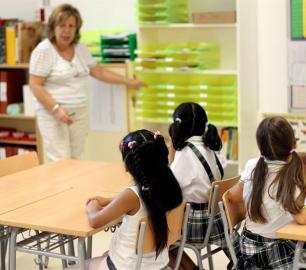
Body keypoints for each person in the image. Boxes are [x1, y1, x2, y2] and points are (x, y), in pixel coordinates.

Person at [29, 3, 145, 161]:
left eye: (71, 26)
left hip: (79, 111)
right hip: (53, 113)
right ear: (53, 27)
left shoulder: (80, 49)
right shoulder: (44, 51)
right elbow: (35, 85)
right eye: (62, 25)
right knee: (61, 160)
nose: (67, 30)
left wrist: (129, 81)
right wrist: (56, 109)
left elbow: (98, 71)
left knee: (77, 158)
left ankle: (75, 187)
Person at [228, 116, 306, 269]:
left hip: (248, 246)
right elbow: (303, 218)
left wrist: (245, 186)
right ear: (293, 144)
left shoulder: (252, 165)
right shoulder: (289, 175)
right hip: (275, 248)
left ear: (260, 149)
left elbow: (233, 197)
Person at [67, 129, 183, 270]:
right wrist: (110, 200)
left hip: (129, 266)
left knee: (74, 267)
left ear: (128, 165)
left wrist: (93, 205)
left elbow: (95, 220)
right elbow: (140, 202)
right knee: (105, 255)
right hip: (159, 264)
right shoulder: (169, 187)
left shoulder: (131, 195)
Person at [169, 102, 241, 268]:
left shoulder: (185, 153)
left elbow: (170, 187)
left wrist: (172, 148)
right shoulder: (208, 147)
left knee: (155, 236)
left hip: (196, 224)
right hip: (215, 220)